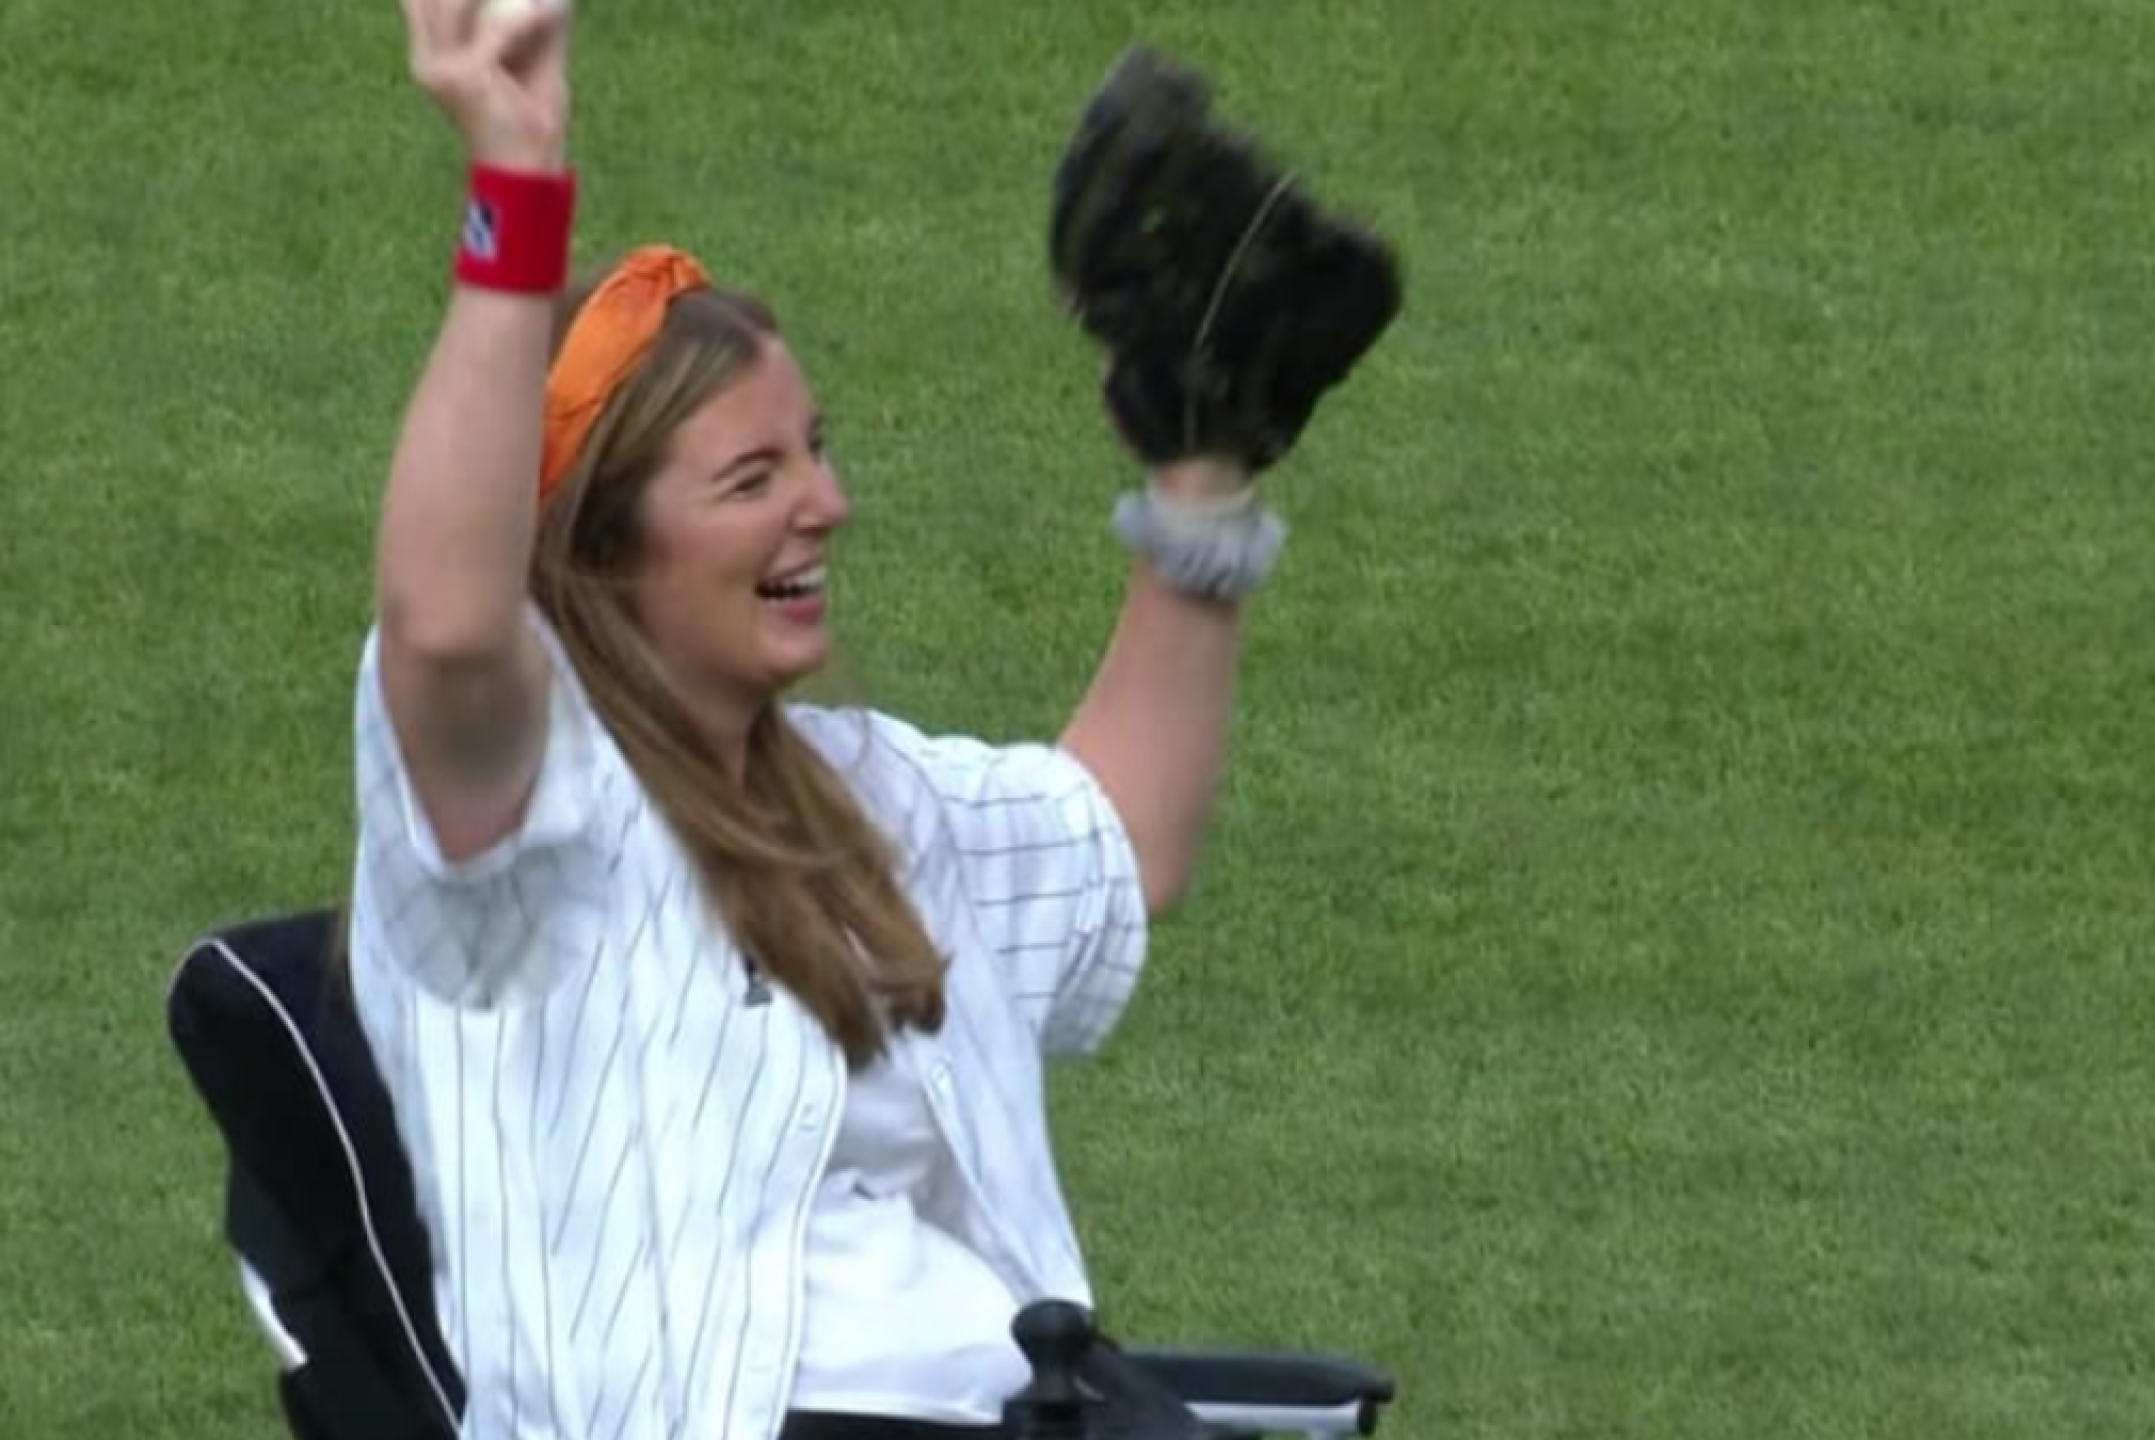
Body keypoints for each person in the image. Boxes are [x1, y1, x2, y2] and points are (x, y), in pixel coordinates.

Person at [347, 2, 1395, 1439]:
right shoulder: (525, 830)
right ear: (598, 546)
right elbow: (449, 620)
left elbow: (1115, 844)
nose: (823, 504)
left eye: (816, 451)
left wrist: (1200, 484)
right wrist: (514, 190)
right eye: (750, 478)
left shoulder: (867, 799)